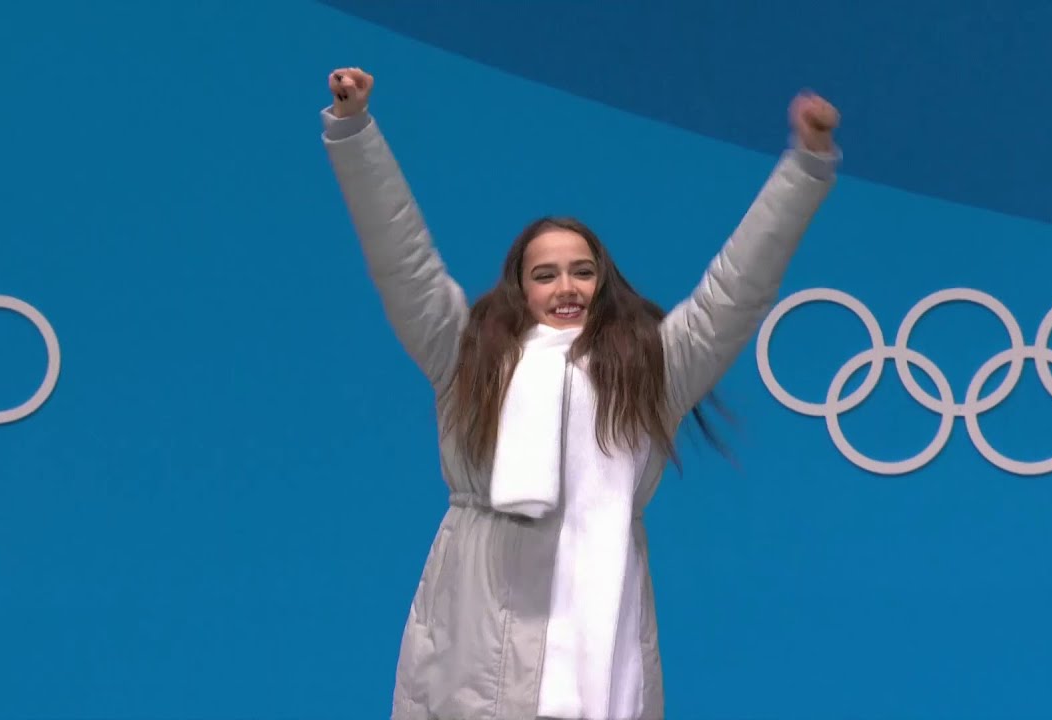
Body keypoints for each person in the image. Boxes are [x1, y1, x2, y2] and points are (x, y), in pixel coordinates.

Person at [321, 66, 839, 720]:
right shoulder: (467, 355)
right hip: (474, 660)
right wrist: (355, 129)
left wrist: (806, 166)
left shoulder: (654, 368)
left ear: (604, 283)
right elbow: (401, 257)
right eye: (545, 274)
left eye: (582, 271)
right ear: (520, 289)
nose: (565, 287)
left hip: (603, 671)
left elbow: (737, 291)